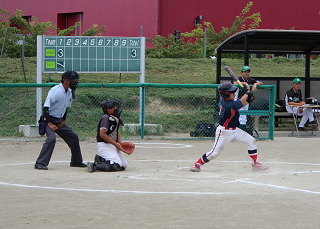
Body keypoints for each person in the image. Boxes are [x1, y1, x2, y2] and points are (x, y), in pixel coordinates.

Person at [190, 82, 269, 172]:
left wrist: (247, 100)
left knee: (251, 141)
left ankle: (255, 164)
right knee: (214, 153)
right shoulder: (229, 104)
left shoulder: (225, 101)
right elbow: (238, 103)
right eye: (232, 92)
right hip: (224, 132)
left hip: (235, 130)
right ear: (226, 94)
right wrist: (247, 93)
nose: (234, 93)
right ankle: (196, 164)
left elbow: (238, 105)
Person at [34, 71, 86, 170]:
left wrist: (64, 120)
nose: (74, 82)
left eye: (75, 80)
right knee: (51, 139)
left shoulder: (69, 92)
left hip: (59, 120)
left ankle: (76, 161)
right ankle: (40, 163)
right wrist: (49, 123)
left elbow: (66, 107)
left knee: (73, 137)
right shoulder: (56, 91)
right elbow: (45, 108)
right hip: (48, 119)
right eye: (71, 80)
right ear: (64, 80)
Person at [87, 99, 128, 172]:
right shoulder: (106, 118)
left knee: (123, 165)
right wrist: (115, 144)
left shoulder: (115, 117)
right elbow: (102, 134)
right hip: (104, 145)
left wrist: (121, 145)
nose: (116, 108)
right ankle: (95, 165)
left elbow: (116, 132)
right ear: (108, 109)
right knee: (116, 165)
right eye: (114, 107)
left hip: (111, 144)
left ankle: (102, 159)